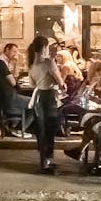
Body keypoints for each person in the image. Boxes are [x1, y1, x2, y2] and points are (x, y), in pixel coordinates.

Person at [28, 34, 64, 174]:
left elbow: (32, 84)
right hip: (49, 97)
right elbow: (60, 82)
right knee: (50, 129)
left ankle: (44, 160)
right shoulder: (49, 62)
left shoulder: (31, 64)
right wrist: (60, 83)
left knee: (41, 130)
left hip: (37, 97)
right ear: (44, 47)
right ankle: (47, 161)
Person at [0, 44, 32, 138]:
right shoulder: (0, 63)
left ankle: (12, 126)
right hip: (8, 99)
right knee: (34, 103)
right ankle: (19, 129)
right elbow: (13, 82)